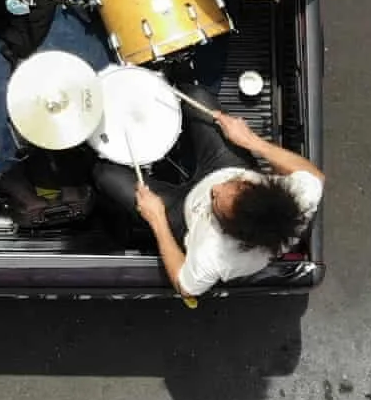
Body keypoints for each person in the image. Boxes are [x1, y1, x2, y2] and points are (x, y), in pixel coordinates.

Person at [93, 84, 323, 297]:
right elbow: (315, 175)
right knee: (196, 96)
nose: (216, 188)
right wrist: (252, 141)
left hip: (183, 213)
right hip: (223, 164)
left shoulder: (216, 256)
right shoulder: (300, 197)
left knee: (106, 175)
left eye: (217, 204)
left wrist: (157, 220)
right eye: (235, 184)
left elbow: (185, 287)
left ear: (230, 233)